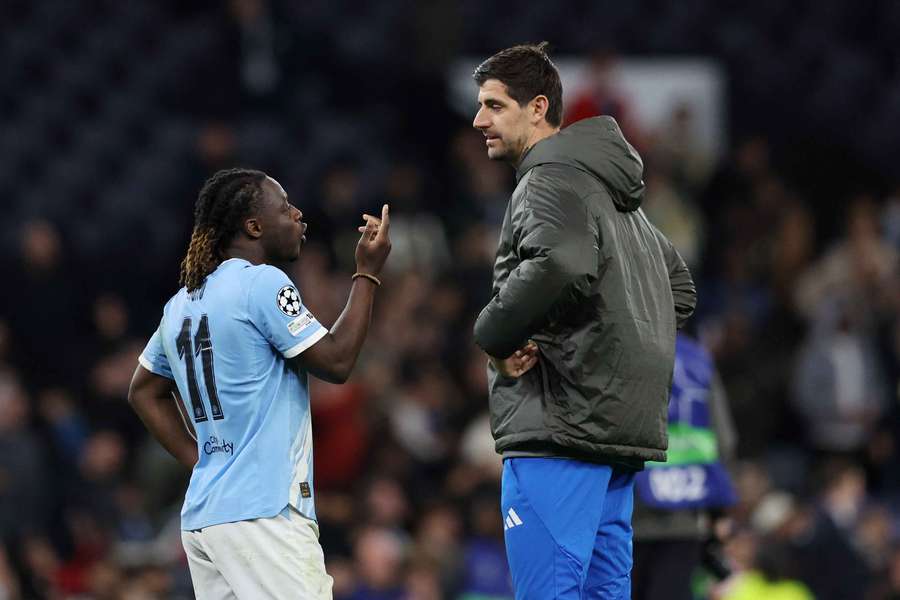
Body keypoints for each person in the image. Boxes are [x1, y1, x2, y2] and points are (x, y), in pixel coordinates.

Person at [471, 43, 696, 599]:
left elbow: (563, 262)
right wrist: (610, 345)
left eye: (495, 106)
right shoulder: (622, 203)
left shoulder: (548, 178)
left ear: (538, 107)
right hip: (613, 438)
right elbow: (680, 292)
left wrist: (495, 334)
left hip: (559, 430)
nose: (480, 120)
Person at [127, 168, 391, 599]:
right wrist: (367, 274)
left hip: (206, 517)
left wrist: (203, 462)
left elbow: (143, 389)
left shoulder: (181, 303)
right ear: (254, 226)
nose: (298, 214)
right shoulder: (262, 283)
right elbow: (338, 361)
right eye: (286, 208)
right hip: (263, 514)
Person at [631, 333, 738, 600]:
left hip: (628, 510)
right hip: (685, 512)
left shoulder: (624, 345)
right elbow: (723, 440)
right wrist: (717, 511)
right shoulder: (697, 357)